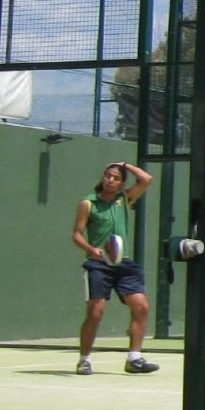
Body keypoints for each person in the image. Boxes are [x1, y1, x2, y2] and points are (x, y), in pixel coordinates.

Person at [71, 161, 159, 375]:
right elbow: (76, 234)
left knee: (142, 307)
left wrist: (124, 164)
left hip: (125, 264)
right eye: (108, 175)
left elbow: (146, 179)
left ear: (121, 184)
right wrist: (91, 249)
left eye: (116, 177)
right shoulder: (88, 203)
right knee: (95, 313)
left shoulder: (124, 199)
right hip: (98, 264)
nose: (110, 180)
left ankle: (134, 359)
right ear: (103, 178)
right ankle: (84, 360)